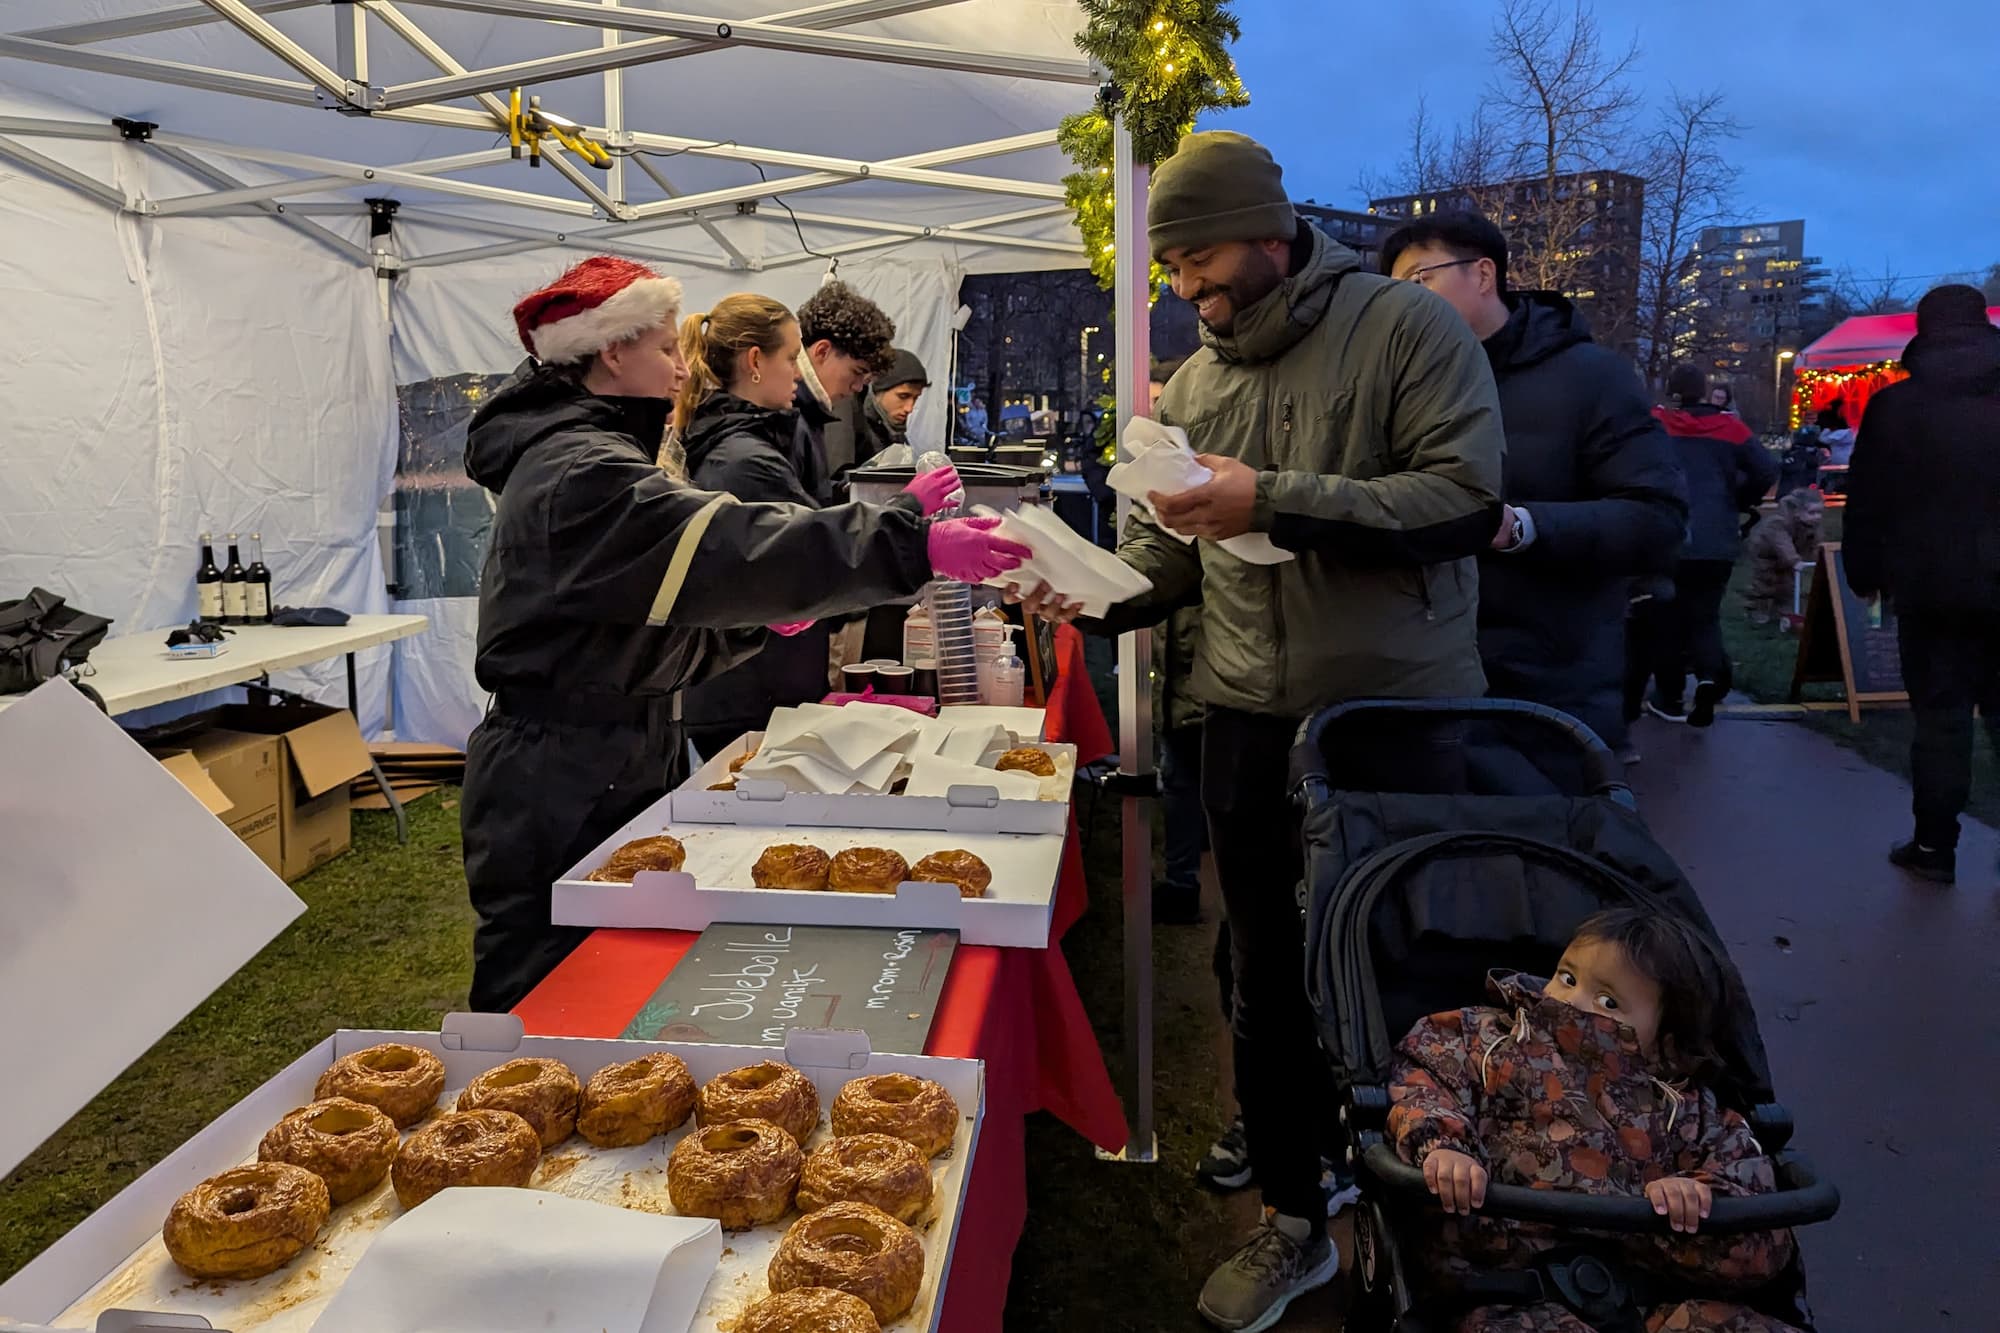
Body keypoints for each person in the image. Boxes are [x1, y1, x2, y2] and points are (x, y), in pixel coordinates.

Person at [1015, 130, 1506, 1332]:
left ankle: (1430, 1211)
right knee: (1267, 981)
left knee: (1401, 972)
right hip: (1241, 713)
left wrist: (1272, 494)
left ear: (1272, 234)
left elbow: (1462, 499)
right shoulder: (1191, 385)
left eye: (1199, 257)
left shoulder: (1404, 328)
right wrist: (1083, 591)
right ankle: (1297, 1216)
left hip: (1390, 717)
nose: (1186, 286)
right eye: (1171, 266)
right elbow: (1170, 560)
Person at [460, 257, 1028, 1011]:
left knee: (619, 975)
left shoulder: (600, 453)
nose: (678, 366)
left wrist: (752, 624)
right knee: (545, 980)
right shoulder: (580, 468)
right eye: (665, 348)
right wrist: (909, 541)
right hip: (557, 767)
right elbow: (734, 543)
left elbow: (637, 628)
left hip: (612, 742)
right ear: (611, 351)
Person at [1389, 909, 1800, 1333]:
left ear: (1666, 1044)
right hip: (1507, 1289)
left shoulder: (1689, 1110)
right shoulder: (1490, 1040)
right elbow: (1425, 1081)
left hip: (1651, 1298)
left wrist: (1701, 1200)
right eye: (1567, 977)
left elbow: (1759, 1231)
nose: (1571, 1001)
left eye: (1607, 1002)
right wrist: (1442, 1146)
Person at [1382, 212, 1686, 756]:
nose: (1404, 301)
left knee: (1545, 837)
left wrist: (1519, 526)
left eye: (1420, 279)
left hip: (1549, 691)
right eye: (1394, 288)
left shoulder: (1591, 377)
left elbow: (1657, 519)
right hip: (1419, 680)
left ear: (1482, 275)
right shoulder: (1400, 384)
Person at [677, 297, 965, 760]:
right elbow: (816, 553)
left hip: (758, 679)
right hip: (748, 687)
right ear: (755, 362)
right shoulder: (742, 459)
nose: (798, 370)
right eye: (792, 357)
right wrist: (910, 510)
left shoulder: (760, 439)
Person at [1844, 283, 2000, 885]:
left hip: (1931, 587)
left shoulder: (1896, 407)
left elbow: (1867, 500)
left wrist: (1862, 572)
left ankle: (1935, 847)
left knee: (1940, 718)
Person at [1643, 366, 1777, 729]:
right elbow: (1766, 469)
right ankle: (1708, 678)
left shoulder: (1657, 423)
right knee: (1705, 615)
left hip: (1670, 532)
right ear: (1705, 391)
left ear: (1671, 390)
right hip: (1717, 536)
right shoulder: (1731, 428)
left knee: (1667, 617)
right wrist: (1737, 498)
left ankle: (1668, 695)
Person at [1146, 355, 1209, 929]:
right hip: (1178, 660)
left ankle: (1185, 878)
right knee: (1182, 774)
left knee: (1187, 776)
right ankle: (1184, 877)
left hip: (1206, 666)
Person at [791, 281, 898, 503]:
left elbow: (811, 492)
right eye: (857, 372)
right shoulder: (787, 412)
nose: (858, 387)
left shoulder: (811, 409)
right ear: (822, 351)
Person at [1743, 489, 1824, 625]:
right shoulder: (1778, 523)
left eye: (1819, 513)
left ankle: (1782, 610)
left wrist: (1819, 557)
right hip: (1765, 553)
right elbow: (1781, 543)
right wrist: (1794, 560)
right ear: (1797, 511)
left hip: (1789, 555)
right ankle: (1756, 608)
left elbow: (1815, 543)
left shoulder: (1812, 526)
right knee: (1765, 582)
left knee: (1788, 583)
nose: (1817, 517)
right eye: (1812, 513)